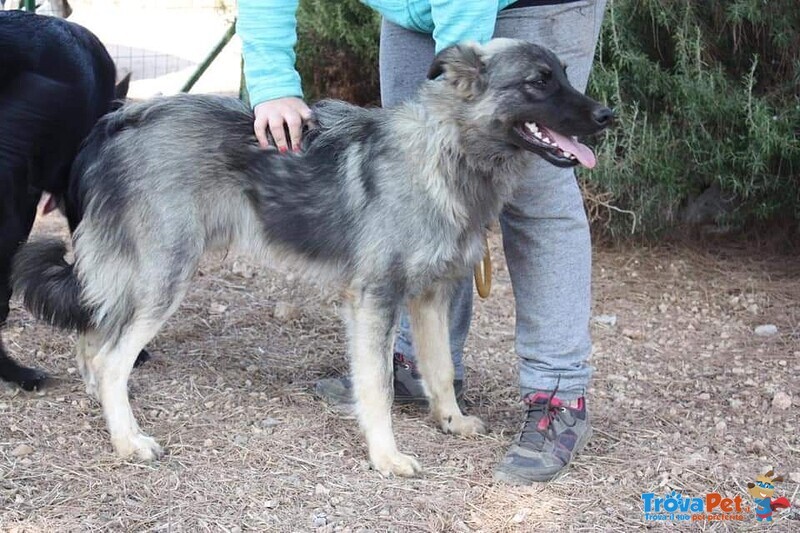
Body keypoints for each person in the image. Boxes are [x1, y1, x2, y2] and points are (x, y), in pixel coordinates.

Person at [237, 0, 607, 484]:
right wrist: (271, 82)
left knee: (535, 196)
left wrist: (471, 70)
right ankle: (416, 371)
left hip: (524, 11)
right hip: (411, 13)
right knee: (412, 194)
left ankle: (557, 396)